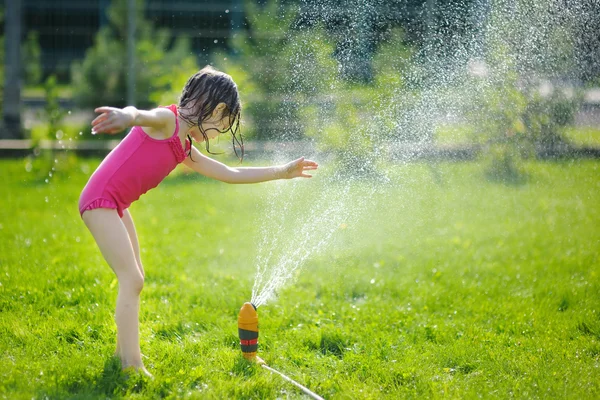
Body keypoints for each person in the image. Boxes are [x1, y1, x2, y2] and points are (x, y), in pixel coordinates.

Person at [78, 66, 318, 376]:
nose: (217, 135)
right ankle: (131, 366)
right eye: (222, 126)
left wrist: (282, 172)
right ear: (217, 110)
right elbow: (141, 114)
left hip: (117, 206)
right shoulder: (169, 122)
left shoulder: (184, 147)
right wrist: (126, 116)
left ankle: (122, 353)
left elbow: (230, 174)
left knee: (137, 277)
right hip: (100, 202)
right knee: (132, 279)